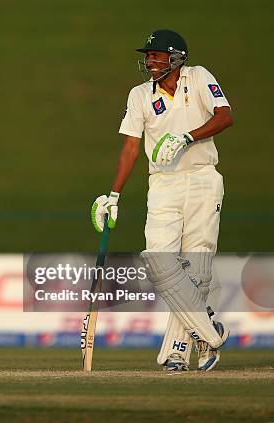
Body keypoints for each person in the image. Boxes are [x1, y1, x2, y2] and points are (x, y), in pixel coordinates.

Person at [91, 29, 233, 371]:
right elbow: (130, 146)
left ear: (176, 58)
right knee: (158, 261)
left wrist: (188, 137)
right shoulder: (140, 95)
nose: (150, 62)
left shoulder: (199, 77)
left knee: (196, 272)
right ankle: (210, 333)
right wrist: (114, 194)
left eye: (157, 56)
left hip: (202, 178)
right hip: (163, 184)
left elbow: (225, 116)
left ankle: (177, 353)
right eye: (148, 56)